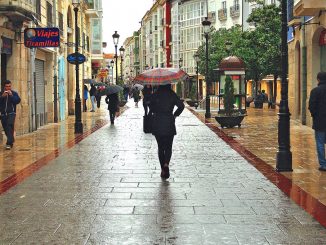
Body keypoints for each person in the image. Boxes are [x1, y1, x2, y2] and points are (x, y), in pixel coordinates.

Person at [149, 84, 184, 179]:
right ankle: (166, 164)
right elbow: (181, 106)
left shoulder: (156, 94)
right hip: (169, 122)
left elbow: (150, 108)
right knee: (168, 147)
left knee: (160, 147)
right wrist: (175, 115)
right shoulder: (172, 94)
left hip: (158, 122)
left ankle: (162, 169)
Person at [308, 71, 326, 171]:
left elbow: (311, 106)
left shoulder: (315, 91)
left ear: (318, 79)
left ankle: (323, 164)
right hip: (320, 120)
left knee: (320, 143)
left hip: (320, 121)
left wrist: (315, 116)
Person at [0, 80, 21, 150]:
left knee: (9, 125)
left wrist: (11, 96)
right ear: (4, 87)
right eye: (7, 86)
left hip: (11, 113)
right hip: (3, 114)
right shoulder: (1, 93)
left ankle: (8, 143)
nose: (8, 88)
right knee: (6, 129)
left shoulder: (14, 93)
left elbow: (17, 101)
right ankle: (11, 140)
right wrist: (2, 97)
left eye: (9, 86)